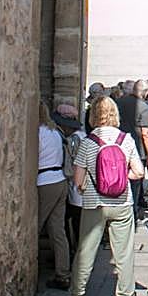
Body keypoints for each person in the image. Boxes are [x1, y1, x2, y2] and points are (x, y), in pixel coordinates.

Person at [67, 96, 145, 296]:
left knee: (86, 250)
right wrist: (119, 180)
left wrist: (95, 184)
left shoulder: (89, 143)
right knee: (124, 252)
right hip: (122, 202)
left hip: (95, 203)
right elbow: (139, 172)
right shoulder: (126, 140)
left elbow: (78, 179)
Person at [37, 101, 71, 290]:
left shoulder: (39, 133)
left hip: (45, 181)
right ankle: (63, 273)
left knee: (35, 226)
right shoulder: (55, 132)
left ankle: (28, 273)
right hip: (60, 180)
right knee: (58, 230)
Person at [53, 102, 86, 261]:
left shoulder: (73, 139)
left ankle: (73, 256)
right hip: (82, 189)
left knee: (72, 223)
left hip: (76, 188)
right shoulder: (83, 136)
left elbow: (74, 164)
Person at [117, 80, 148, 217]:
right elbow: (146, 133)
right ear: (146, 92)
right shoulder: (143, 107)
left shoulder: (119, 102)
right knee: (134, 184)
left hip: (118, 146)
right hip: (136, 149)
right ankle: (130, 213)